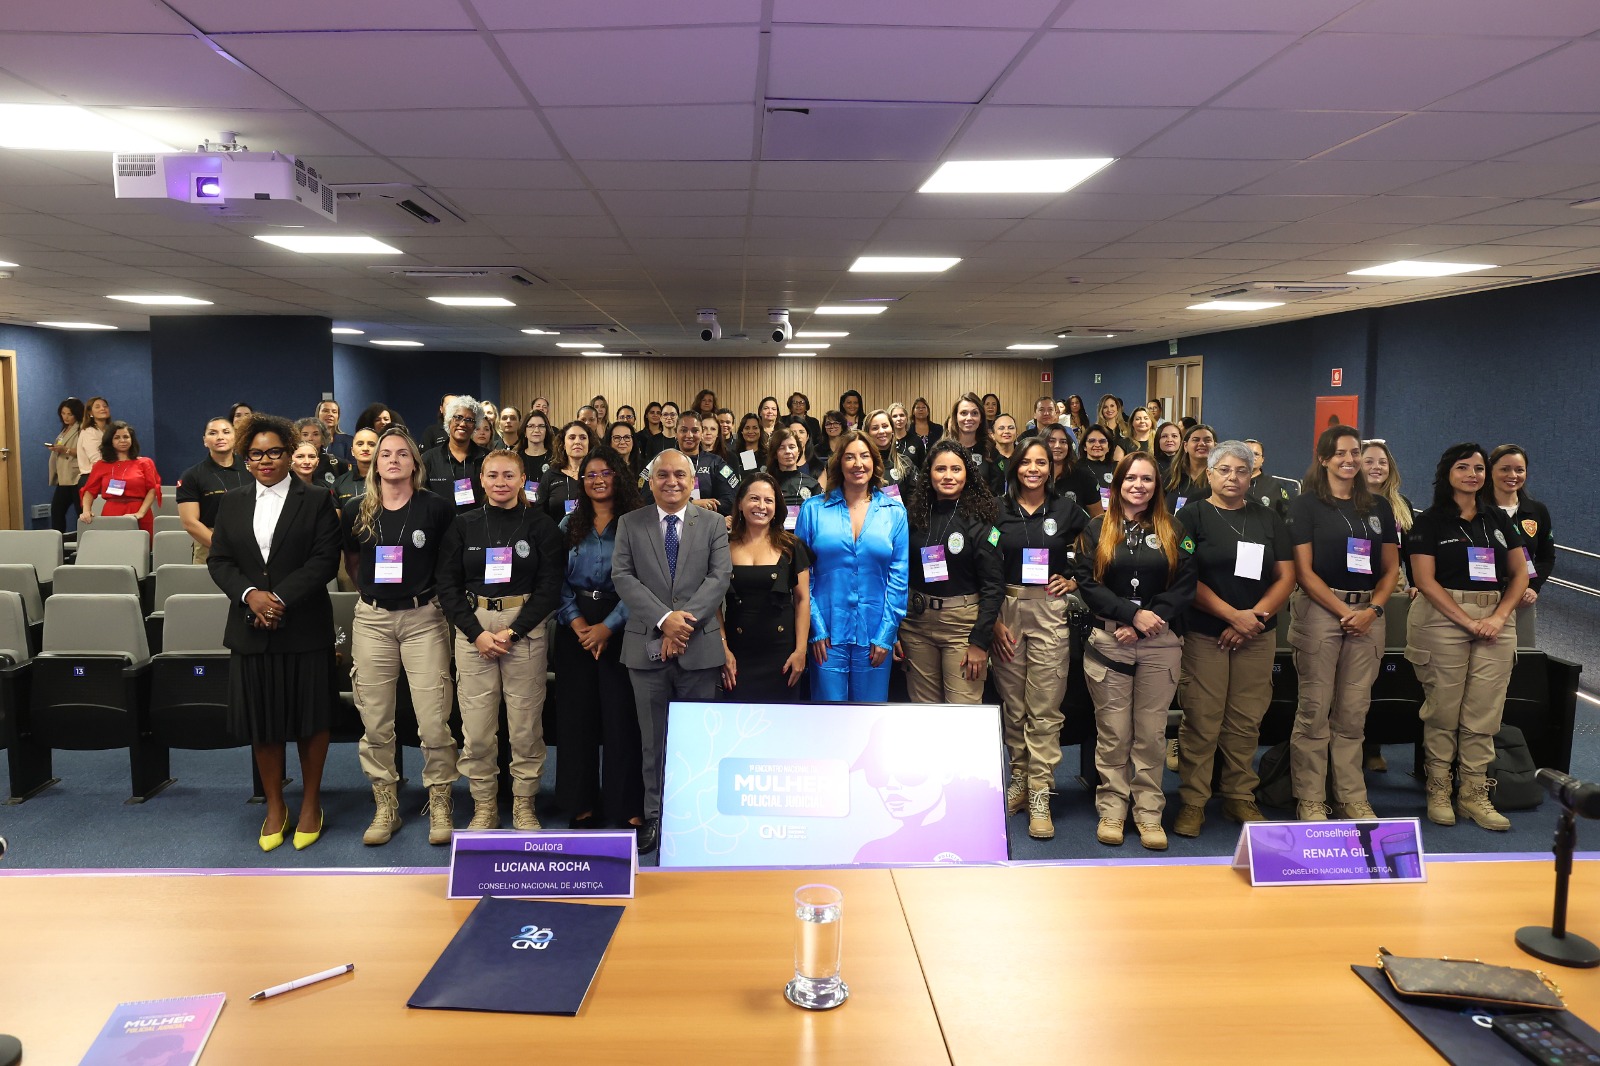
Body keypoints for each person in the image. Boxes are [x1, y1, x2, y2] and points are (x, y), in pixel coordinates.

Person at [206, 414, 342, 851]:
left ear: (289, 453)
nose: (265, 461)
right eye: (255, 454)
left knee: (310, 719)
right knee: (263, 721)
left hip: (303, 625)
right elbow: (220, 561)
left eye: (274, 452)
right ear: (246, 459)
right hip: (251, 628)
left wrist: (278, 598)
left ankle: (311, 803)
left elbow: (324, 560)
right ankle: (275, 806)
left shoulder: (316, 498)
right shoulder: (232, 501)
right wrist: (251, 596)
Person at [341, 427, 460, 847]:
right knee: (375, 719)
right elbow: (352, 563)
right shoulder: (356, 508)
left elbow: (449, 564)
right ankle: (385, 804)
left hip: (423, 618)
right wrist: (376, 595)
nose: (393, 460)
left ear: (415, 463)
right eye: (386, 454)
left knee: (433, 718)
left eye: (402, 454)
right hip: (372, 621)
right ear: (375, 463)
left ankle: (440, 800)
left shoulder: (436, 507)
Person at [1170, 442, 1296, 838]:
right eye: (1224, 470)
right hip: (1206, 632)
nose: (1233, 478)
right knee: (1202, 719)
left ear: (1251, 476)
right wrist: (1231, 616)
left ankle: (1239, 794)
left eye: (1241, 471)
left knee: (1246, 719)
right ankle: (1193, 800)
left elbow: (1286, 576)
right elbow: (1184, 578)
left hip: (1256, 633)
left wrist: (1252, 619)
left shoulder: (1267, 518)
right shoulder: (1191, 516)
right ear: (1209, 474)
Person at [437, 450, 565, 832]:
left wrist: (513, 631)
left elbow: (549, 588)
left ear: (523, 479)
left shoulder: (541, 526)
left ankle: (524, 803)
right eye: (492, 475)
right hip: (474, 628)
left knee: (525, 727)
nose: (500, 482)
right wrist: (476, 633)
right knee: (477, 730)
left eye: (509, 475)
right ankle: (484, 805)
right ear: (481, 479)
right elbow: (447, 586)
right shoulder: (463, 525)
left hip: (523, 628)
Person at [1073, 453, 1196, 851]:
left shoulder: (1174, 528)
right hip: (1112, 641)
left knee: (1150, 733)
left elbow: (1186, 584)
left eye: (1147, 479)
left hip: (1160, 642)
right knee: (1114, 733)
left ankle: (1148, 813)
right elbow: (1087, 583)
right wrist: (1130, 614)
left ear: (1156, 485)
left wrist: (1146, 620)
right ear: (1118, 484)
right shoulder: (1096, 528)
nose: (1138, 485)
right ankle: (1113, 809)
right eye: (1131, 478)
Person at [612, 448, 733, 853]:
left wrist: (681, 625)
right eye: (662, 474)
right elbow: (623, 577)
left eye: (680, 474)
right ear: (650, 482)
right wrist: (665, 620)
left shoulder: (713, 524)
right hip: (645, 648)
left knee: (697, 740)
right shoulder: (630, 523)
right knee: (653, 741)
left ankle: (694, 815)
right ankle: (656, 816)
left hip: (699, 649)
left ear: (692, 481)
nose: (671, 481)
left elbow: (719, 578)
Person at [1406, 442, 1529, 831]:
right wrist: (1467, 621)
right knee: (1444, 709)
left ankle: (1474, 793)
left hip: (1495, 619)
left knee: (1484, 712)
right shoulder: (1429, 521)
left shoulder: (1498, 519)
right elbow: (1424, 580)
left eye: (1478, 468)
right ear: (1447, 474)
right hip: (1442, 618)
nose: (1472, 475)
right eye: (1463, 467)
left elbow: (1520, 574)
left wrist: (1500, 616)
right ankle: (1439, 788)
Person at [1285, 425, 1401, 822]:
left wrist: (1373, 610)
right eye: (1340, 453)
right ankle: (1311, 798)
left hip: (1369, 615)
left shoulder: (1378, 507)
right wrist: (1342, 611)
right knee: (1315, 710)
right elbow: (1304, 571)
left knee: (1353, 712)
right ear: (1324, 459)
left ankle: (1351, 796)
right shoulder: (1305, 506)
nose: (1349, 460)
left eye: (1355, 453)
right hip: (1321, 611)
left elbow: (1390, 568)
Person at [991, 438, 1089, 839]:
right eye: (1026, 462)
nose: (1033, 469)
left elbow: (1100, 546)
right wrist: (991, 618)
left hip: (1049, 609)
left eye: (1041, 463)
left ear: (1052, 468)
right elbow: (984, 561)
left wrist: (1075, 580)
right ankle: (1019, 777)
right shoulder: (997, 510)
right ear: (1015, 466)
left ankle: (1040, 792)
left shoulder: (1066, 510)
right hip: (1007, 610)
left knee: (1045, 708)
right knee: (1014, 706)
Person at [555, 446, 645, 830]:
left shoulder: (636, 524)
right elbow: (555, 580)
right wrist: (577, 623)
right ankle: (581, 803)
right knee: (577, 718)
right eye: (590, 474)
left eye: (605, 473)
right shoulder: (568, 525)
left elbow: (641, 581)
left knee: (621, 718)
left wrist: (608, 627)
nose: (598, 480)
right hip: (575, 628)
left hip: (621, 627)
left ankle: (626, 804)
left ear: (618, 477)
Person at [796, 431, 908, 704]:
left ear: (875, 462)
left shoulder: (894, 512)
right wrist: (815, 627)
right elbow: (802, 576)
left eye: (864, 456)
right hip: (826, 636)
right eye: (850, 457)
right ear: (839, 463)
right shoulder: (813, 509)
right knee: (827, 717)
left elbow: (899, 578)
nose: (858, 464)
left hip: (875, 635)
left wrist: (886, 634)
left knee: (869, 717)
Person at [899, 440, 1003, 705]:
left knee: (962, 712)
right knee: (924, 712)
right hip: (916, 624)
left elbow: (993, 586)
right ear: (929, 474)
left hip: (962, 627)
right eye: (940, 469)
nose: (948, 476)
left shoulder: (981, 519)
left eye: (956, 469)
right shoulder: (913, 515)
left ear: (967, 474)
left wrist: (980, 642)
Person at [720, 472, 812, 702]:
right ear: (740, 503)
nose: (761, 506)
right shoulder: (722, 545)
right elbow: (712, 605)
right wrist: (723, 649)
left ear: (776, 506)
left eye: (768, 500)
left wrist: (801, 651)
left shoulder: (792, 546)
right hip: (736, 654)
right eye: (754, 498)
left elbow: (802, 600)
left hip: (782, 654)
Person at [1488, 444, 1553, 649]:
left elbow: (1546, 556)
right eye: (1505, 469)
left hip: (1521, 597)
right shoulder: (1476, 509)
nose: (1513, 475)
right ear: (1490, 470)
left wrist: (1534, 587)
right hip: (1482, 595)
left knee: (1520, 653)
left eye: (1519, 470)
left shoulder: (1536, 511)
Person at [177, 416, 253, 563]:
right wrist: (223, 547)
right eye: (213, 433)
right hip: (210, 545)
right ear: (205, 440)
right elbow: (189, 522)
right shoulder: (192, 475)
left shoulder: (253, 469)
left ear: (236, 437)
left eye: (226, 432)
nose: (220, 437)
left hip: (251, 543)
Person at [640, 411, 736, 514]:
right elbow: (646, 498)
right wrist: (691, 503)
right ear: (676, 433)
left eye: (695, 430)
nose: (689, 435)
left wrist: (706, 508)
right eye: (684, 430)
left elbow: (731, 499)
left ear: (702, 433)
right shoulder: (659, 461)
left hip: (706, 521)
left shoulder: (716, 463)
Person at [80, 420, 161, 537]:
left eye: (126, 437)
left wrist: (140, 513)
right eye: (117, 437)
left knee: (141, 546)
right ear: (110, 441)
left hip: (139, 512)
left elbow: (152, 490)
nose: (122, 440)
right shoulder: (101, 465)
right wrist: (86, 511)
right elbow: (89, 491)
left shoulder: (145, 463)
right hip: (111, 512)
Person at [423, 396, 493, 515]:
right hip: (440, 524)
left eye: (469, 420)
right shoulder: (429, 458)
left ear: (475, 426)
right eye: (458, 417)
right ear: (449, 421)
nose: (463, 423)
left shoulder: (487, 458)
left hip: (478, 524)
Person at [946, 392, 1004, 495]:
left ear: (981, 418)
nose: (969, 418)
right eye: (964, 413)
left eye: (974, 413)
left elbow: (997, 491)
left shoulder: (989, 450)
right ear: (956, 417)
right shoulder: (944, 449)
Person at [536, 420, 594, 522]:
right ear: (563, 444)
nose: (577, 442)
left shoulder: (597, 474)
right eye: (572, 437)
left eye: (583, 438)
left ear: (589, 443)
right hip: (556, 531)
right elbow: (539, 513)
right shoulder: (550, 475)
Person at [766, 426, 823, 528]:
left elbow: (820, 517)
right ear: (775, 454)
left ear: (799, 451)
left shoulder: (812, 484)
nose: (788, 451)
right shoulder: (766, 484)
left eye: (792, 447)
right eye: (782, 448)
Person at [47, 397, 85, 533]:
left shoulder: (82, 428)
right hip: (63, 477)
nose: (66, 417)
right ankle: (58, 541)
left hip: (76, 476)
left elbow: (85, 451)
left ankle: (85, 539)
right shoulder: (64, 430)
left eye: (69, 414)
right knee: (56, 510)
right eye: (63, 413)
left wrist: (66, 450)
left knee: (81, 511)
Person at [1045, 423, 1100, 515]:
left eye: (1063, 442)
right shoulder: (1034, 476)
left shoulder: (1084, 477)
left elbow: (1097, 517)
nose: (1058, 445)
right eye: (1051, 441)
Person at [864, 408, 916, 501]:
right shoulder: (862, 465)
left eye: (885, 426)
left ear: (892, 430)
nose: (881, 431)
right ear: (867, 434)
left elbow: (914, 499)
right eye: (875, 428)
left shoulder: (905, 463)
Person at [1164, 423, 1215, 511]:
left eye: (1207, 440)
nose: (1202, 443)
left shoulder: (1219, 478)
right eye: (1196, 440)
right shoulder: (1171, 476)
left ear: (1215, 446)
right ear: (1185, 446)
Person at [1248, 438, 1297, 518]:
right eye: (1247, 453)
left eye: (1256, 454)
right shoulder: (1231, 482)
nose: (1251, 457)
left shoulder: (1275, 485)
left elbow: (1285, 515)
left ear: (1262, 460)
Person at [294, 416, 347, 490]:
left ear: (323, 438)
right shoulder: (288, 463)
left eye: (315, 434)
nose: (310, 438)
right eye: (305, 435)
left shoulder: (336, 464)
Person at [77, 396, 111, 507]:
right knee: (95, 515)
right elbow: (97, 459)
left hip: (108, 476)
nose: (102, 408)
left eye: (105, 406)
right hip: (92, 478)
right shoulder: (89, 432)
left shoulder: (109, 430)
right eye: (97, 407)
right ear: (90, 413)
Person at [1078, 425, 1119, 510]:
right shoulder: (1076, 469)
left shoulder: (1119, 468)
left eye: (1102, 441)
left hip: (1114, 513)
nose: (1097, 445)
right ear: (1084, 446)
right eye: (1092, 441)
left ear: (1109, 447)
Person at [518, 409, 554, 484]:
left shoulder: (555, 458)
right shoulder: (516, 458)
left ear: (546, 431)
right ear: (525, 431)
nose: (537, 430)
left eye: (541, 426)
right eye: (531, 426)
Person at [888, 402, 924, 470]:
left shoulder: (917, 441)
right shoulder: (886, 441)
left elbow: (922, 467)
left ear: (906, 418)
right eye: (895, 416)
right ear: (889, 419)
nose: (899, 419)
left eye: (902, 415)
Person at [316, 398, 350, 462]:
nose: (330, 414)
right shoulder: (309, 440)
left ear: (338, 417)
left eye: (334, 412)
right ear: (318, 414)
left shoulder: (348, 441)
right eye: (325, 411)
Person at [990, 413, 1019, 479]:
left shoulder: (1023, 455)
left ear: (1017, 433)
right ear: (992, 435)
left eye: (1011, 428)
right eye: (1001, 428)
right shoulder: (987, 458)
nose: (1006, 431)